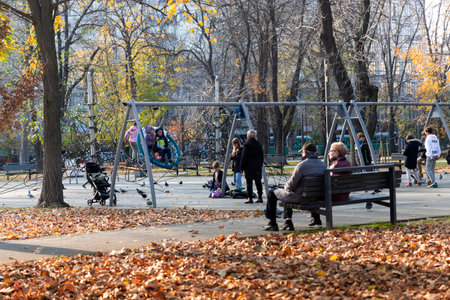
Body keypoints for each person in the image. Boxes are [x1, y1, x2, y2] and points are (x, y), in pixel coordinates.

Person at [264, 143, 326, 231]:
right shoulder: (322, 165)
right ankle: (315, 219)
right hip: (315, 197)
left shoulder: (302, 166)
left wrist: (285, 186)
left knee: (272, 192)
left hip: (300, 198)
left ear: (305, 153)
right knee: (289, 193)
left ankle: (272, 223)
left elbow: (291, 185)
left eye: (302, 152)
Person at [309, 142, 352, 228]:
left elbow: (326, 181)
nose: (328, 153)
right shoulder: (347, 163)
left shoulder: (335, 165)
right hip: (344, 194)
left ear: (336, 152)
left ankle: (316, 220)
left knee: (312, 195)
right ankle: (315, 219)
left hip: (334, 196)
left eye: (330, 151)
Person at [240, 129, 264, 204]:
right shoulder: (258, 144)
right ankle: (260, 197)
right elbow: (261, 156)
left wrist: (242, 167)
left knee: (249, 182)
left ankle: (250, 197)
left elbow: (244, 157)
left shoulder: (247, 144)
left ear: (249, 136)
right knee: (258, 182)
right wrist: (260, 164)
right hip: (257, 165)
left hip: (248, 166)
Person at [356, 132, 373, 210]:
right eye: (361, 138)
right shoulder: (359, 145)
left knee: (365, 183)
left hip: (362, 165)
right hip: (365, 165)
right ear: (359, 138)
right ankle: (369, 197)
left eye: (363, 137)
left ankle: (368, 195)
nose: (363, 139)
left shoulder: (359, 145)